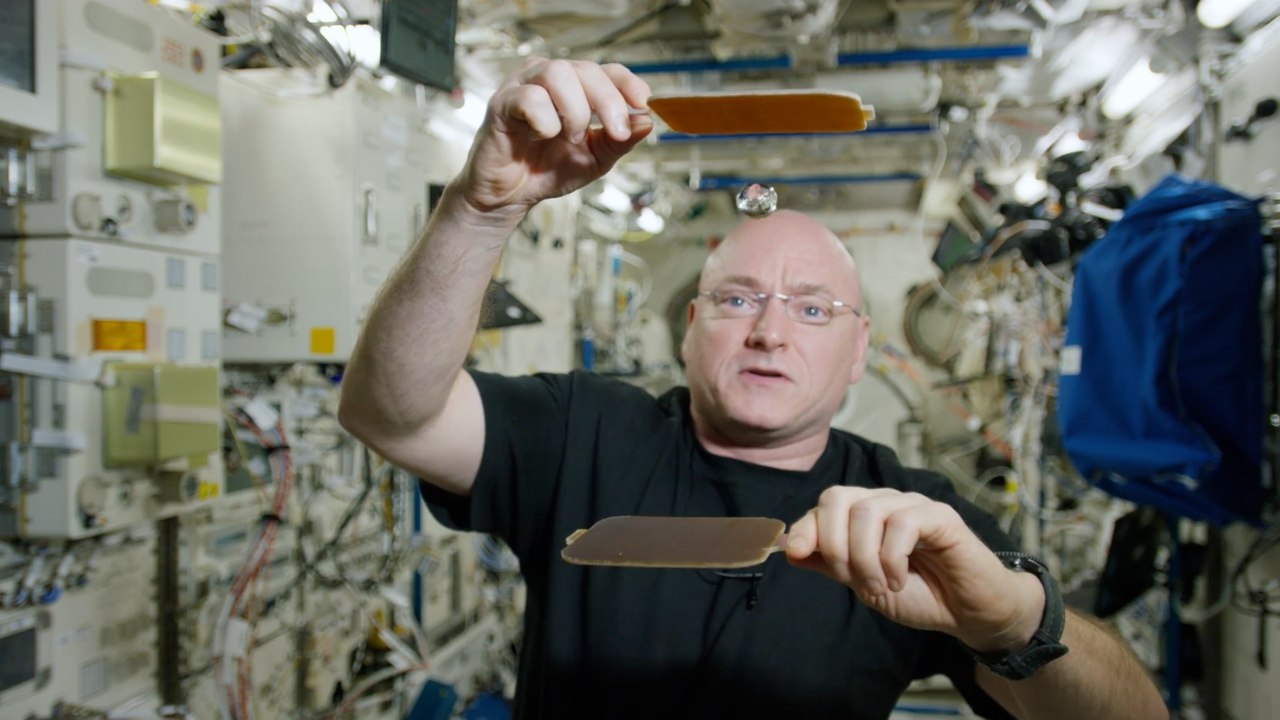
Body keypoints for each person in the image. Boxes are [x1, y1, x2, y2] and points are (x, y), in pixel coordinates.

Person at [338, 59, 1168, 719]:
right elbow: (392, 415)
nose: (770, 331)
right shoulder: (581, 433)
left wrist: (1016, 620)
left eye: (813, 309)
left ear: (859, 349)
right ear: (689, 326)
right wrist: (481, 211)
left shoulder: (912, 525)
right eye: (738, 300)